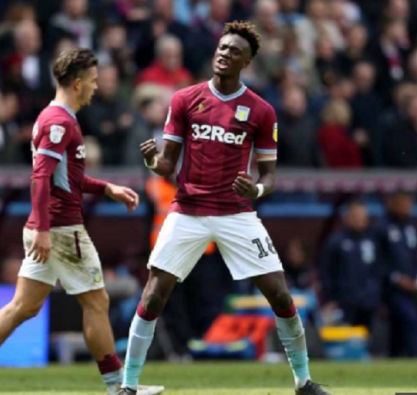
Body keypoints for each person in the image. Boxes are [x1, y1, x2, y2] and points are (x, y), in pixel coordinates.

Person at [119, 21, 331, 395]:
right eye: (221, 47)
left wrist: (258, 188)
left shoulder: (262, 111)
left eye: (234, 51)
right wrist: (153, 162)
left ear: (246, 61)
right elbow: (167, 166)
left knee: (280, 295)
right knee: (153, 294)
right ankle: (128, 385)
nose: (224, 54)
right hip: (187, 210)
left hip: (236, 214)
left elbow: (270, 176)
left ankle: (303, 381)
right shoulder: (184, 100)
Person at [0, 48, 163, 395]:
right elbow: (40, 177)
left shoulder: (52, 118)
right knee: (96, 302)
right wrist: (43, 228)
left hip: (50, 227)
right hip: (61, 229)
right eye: (93, 81)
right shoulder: (60, 123)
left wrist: (106, 188)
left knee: (24, 305)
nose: (96, 88)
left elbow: (67, 178)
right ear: (77, 83)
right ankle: (119, 388)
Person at [319, 200, 383, 330]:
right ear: (346, 218)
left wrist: (376, 292)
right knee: (347, 339)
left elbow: (378, 269)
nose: (359, 220)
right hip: (344, 302)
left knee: (367, 338)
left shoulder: (372, 241)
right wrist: (329, 298)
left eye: (363, 217)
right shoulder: (336, 242)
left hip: (368, 301)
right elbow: (326, 272)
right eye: (356, 217)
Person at [377, 191, 417, 357]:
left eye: (409, 204)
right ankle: (413, 357)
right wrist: (396, 278)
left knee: (402, 325)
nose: (407, 207)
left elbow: (416, 256)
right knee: (409, 318)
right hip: (390, 289)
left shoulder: (410, 228)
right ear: (393, 203)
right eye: (404, 203)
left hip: (412, 289)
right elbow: (378, 261)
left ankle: (397, 356)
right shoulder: (382, 227)